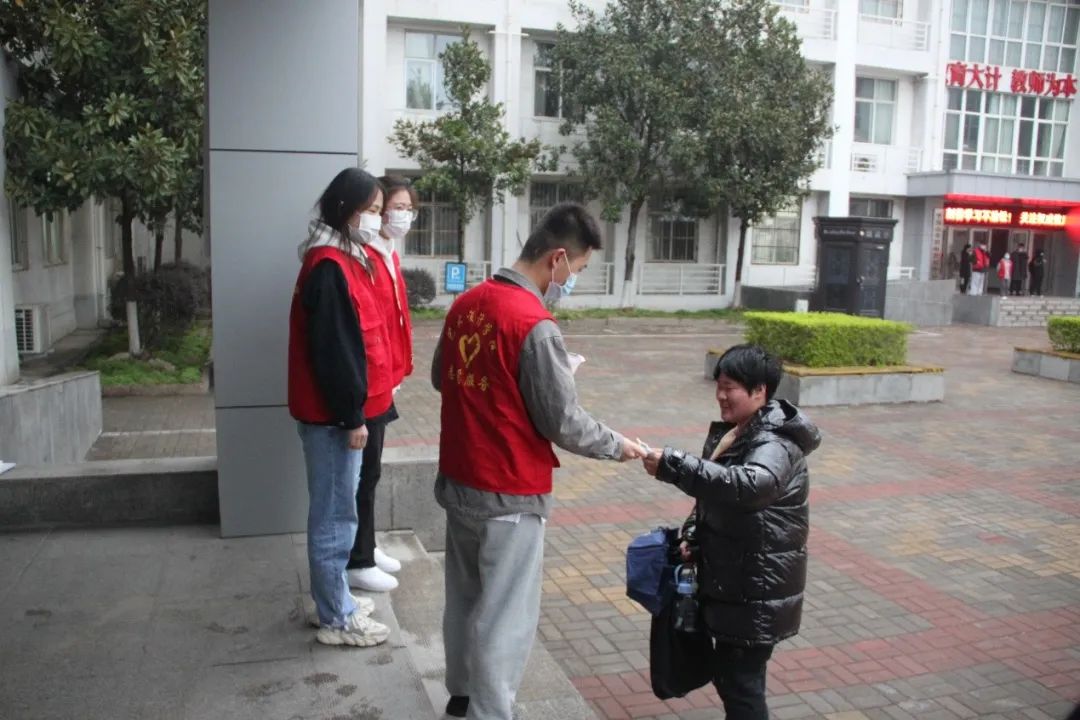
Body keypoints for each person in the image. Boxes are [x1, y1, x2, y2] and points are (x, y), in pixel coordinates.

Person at [431, 202, 646, 720]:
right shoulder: (534, 324)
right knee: (506, 615)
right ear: (557, 259)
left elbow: (442, 377)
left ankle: (461, 696)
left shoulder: (467, 304)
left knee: (464, 597)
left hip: (460, 478)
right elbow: (562, 421)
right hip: (510, 488)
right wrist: (618, 444)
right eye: (577, 269)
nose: (572, 280)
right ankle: (490, 712)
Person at [642, 345, 820, 720]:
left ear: (760, 391)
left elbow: (748, 486)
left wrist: (674, 465)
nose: (721, 396)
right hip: (737, 584)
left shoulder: (774, 443)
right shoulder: (741, 431)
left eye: (730, 388)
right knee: (735, 680)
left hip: (754, 592)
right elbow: (717, 498)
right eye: (718, 386)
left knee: (741, 687)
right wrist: (694, 535)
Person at [288, 167, 393, 648]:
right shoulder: (329, 265)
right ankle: (336, 617)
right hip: (332, 418)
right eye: (370, 210)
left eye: (379, 210)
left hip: (334, 414)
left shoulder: (342, 257)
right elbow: (335, 352)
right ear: (344, 209)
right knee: (334, 517)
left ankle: (333, 600)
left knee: (336, 510)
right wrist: (353, 417)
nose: (376, 219)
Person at [343, 176, 418, 594]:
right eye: (394, 208)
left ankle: (367, 547)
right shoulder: (365, 256)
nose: (402, 215)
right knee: (364, 473)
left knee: (371, 472)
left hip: (386, 378)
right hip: (371, 381)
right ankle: (358, 559)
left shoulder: (388, 253)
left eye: (408, 208)